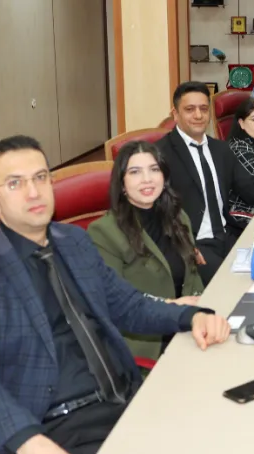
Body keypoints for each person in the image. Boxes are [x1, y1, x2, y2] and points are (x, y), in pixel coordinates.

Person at [0, 135, 232, 454]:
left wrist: (191, 315)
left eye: (41, 177)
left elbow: (128, 305)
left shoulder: (72, 241)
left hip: (124, 399)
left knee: (219, 449)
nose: (33, 192)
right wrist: (27, 440)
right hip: (56, 427)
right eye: (15, 183)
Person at [155, 81, 254, 284]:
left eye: (203, 109)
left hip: (227, 234)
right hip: (193, 245)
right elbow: (153, 212)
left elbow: (248, 185)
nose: (198, 115)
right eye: (190, 109)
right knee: (236, 285)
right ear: (175, 114)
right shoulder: (159, 154)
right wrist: (179, 246)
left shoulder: (220, 149)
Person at [87, 140, 205, 362]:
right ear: (122, 183)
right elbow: (113, 302)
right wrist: (172, 307)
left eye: (154, 169)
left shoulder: (178, 218)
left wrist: (206, 313)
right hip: (149, 343)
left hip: (189, 329)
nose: (147, 179)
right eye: (135, 172)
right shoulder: (104, 232)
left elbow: (193, 278)